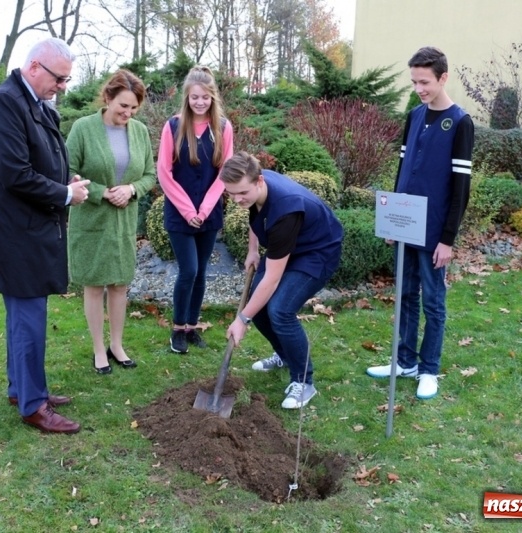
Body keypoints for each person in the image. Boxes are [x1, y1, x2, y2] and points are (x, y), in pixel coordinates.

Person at [0, 38, 90, 434]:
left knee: (24, 317)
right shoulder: (4, 104)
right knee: (28, 319)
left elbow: (39, 158)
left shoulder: (35, 103)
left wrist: (62, 179)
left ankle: (22, 388)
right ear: (35, 66)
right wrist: (67, 195)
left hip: (29, 229)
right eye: (60, 78)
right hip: (14, 234)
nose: (63, 87)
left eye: (67, 80)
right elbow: (15, 173)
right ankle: (33, 406)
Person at [366, 46, 475, 400]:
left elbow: (460, 188)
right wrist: (391, 223)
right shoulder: (413, 116)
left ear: (443, 77)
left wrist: (448, 239)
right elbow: (402, 172)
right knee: (405, 296)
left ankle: (429, 369)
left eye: (425, 82)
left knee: (433, 302)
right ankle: (405, 362)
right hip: (406, 227)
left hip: (434, 233)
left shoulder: (460, 123)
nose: (419, 89)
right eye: (414, 82)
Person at [222, 151, 343, 409]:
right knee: (261, 308)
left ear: (259, 181)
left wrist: (242, 319)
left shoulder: (286, 211)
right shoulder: (255, 188)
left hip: (316, 252)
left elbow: (273, 280)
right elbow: (254, 214)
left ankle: (304, 382)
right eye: (230, 194)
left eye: (241, 192)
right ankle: (286, 355)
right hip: (289, 246)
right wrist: (252, 250)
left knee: (280, 310)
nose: (236, 199)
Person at [66, 69, 156, 374]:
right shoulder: (82, 128)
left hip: (123, 222)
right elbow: (68, 172)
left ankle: (116, 345)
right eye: (122, 106)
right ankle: (97, 349)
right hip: (91, 219)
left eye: (133, 108)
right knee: (94, 286)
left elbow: (149, 175)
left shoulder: (140, 132)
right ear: (107, 98)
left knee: (119, 284)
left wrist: (131, 190)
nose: (127, 113)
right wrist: (102, 192)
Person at [156, 65, 234, 354]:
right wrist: (189, 210)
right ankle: (177, 329)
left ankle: (191, 326)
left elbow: (226, 171)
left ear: (213, 98)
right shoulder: (173, 127)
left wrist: (205, 208)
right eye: (194, 97)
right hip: (180, 213)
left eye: (205, 97)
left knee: (201, 273)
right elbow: (165, 172)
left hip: (209, 214)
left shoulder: (223, 128)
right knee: (187, 270)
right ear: (187, 98)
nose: (200, 102)